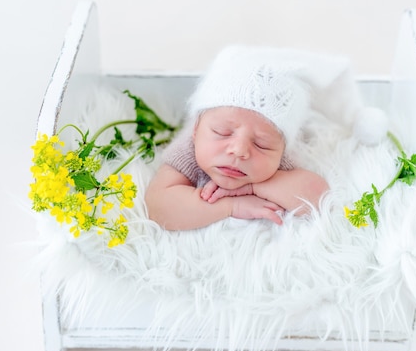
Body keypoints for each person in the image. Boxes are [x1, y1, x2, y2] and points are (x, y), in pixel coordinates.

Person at [145, 45, 377, 230]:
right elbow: (158, 206)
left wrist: (256, 186)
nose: (239, 150)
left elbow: (319, 197)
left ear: (281, 149)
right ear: (196, 131)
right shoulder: (189, 149)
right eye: (222, 133)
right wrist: (232, 205)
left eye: (261, 144)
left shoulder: (278, 159)